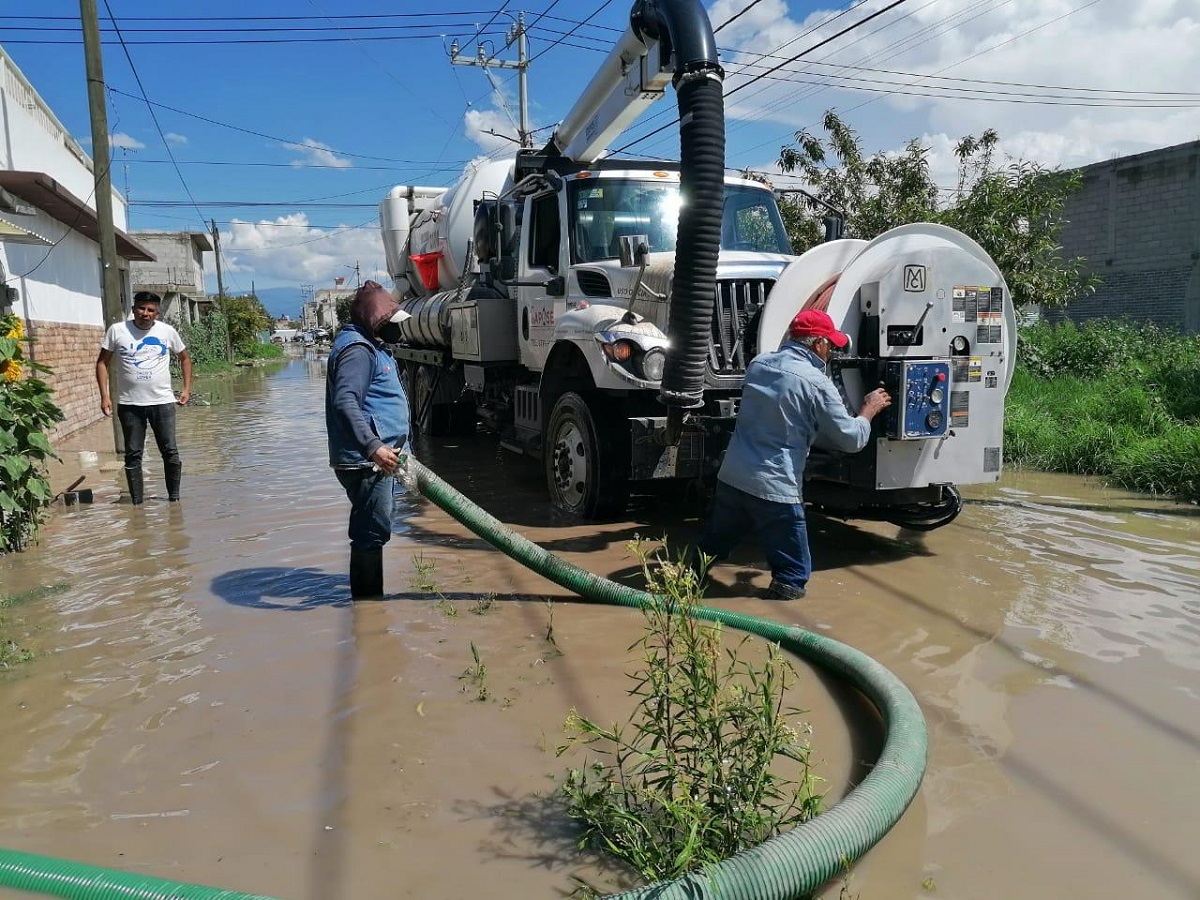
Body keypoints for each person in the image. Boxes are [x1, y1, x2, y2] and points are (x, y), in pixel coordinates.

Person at [694, 308, 892, 600]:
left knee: (706, 556)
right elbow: (851, 440)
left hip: (733, 478)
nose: (832, 353)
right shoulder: (817, 383)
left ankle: (682, 589)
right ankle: (779, 630)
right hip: (775, 490)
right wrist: (868, 410)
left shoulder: (759, 364)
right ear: (817, 344)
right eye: (830, 346)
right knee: (791, 579)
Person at [325, 281, 411, 598]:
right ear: (375, 320)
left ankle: (370, 608)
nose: (396, 331)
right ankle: (369, 612)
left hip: (376, 460)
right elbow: (346, 402)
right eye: (391, 324)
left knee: (372, 530)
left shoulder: (368, 345)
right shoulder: (357, 351)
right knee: (370, 532)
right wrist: (374, 447)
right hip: (368, 462)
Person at [96, 290, 192, 505]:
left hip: (163, 403)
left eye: (150, 310)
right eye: (141, 308)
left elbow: (185, 358)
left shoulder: (167, 332)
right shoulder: (117, 331)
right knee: (133, 454)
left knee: (170, 452)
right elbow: (102, 362)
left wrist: (186, 389)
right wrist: (105, 396)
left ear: (157, 313)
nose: (145, 313)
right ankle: (137, 505)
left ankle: (174, 501)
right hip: (130, 405)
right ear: (133, 310)